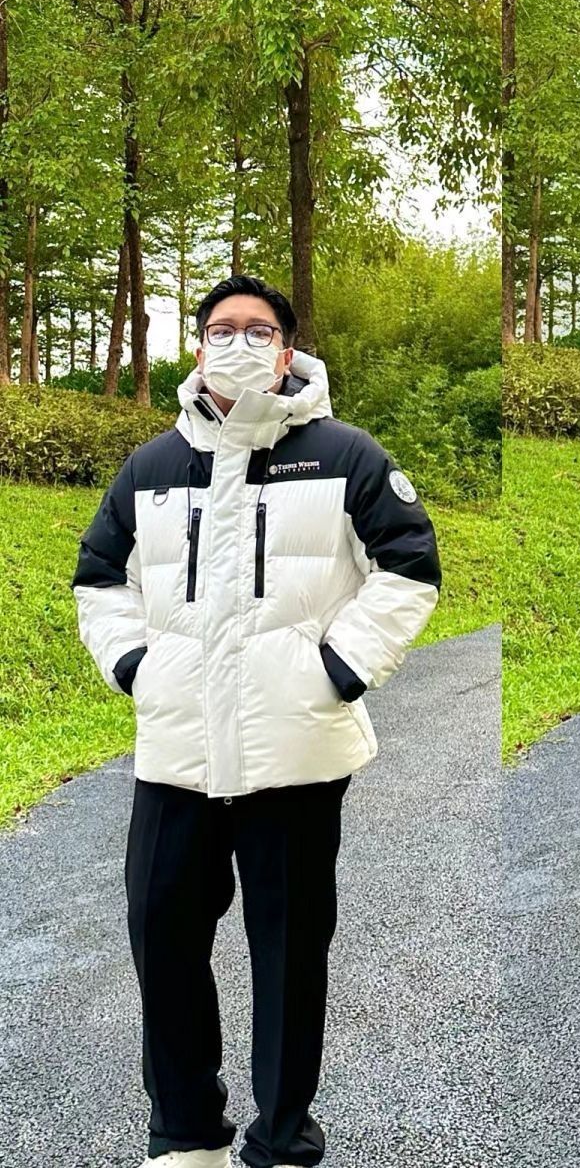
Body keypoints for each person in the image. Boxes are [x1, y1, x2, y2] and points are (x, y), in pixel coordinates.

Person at [71, 275, 442, 1168]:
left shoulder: (344, 454)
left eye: (258, 329)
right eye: (221, 328)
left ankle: (282, 1138)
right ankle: (185, 1135)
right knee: (161, 937)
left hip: (296, 752)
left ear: (286, 351)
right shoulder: (153, 466)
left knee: (287, 951)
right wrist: (136, 666)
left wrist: (337, 669)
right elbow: (99, 578)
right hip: (177, 749)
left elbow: (409, 567)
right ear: (198, 346)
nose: (237, 342)